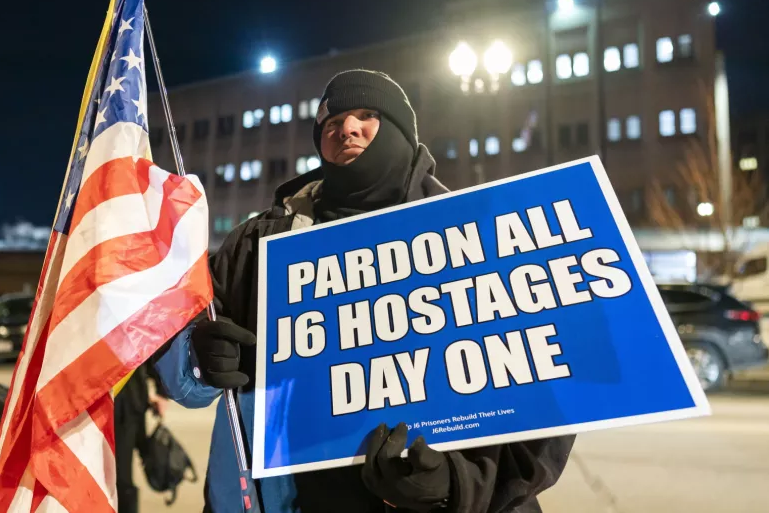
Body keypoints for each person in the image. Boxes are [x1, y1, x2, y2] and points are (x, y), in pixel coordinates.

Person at [155, 69, 574, 512]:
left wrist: (456, 483)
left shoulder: (470, 241)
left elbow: (539, 399)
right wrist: (198, 358)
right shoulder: (259, 243)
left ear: (399, 131)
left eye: (367, 115)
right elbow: (182, 340)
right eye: (331, 123)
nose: (346, 129)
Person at [114, 362, 168, 513]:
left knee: (121, 477)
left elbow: (148, 348)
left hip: (127, 404)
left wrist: (161, 390)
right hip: (113, 401)